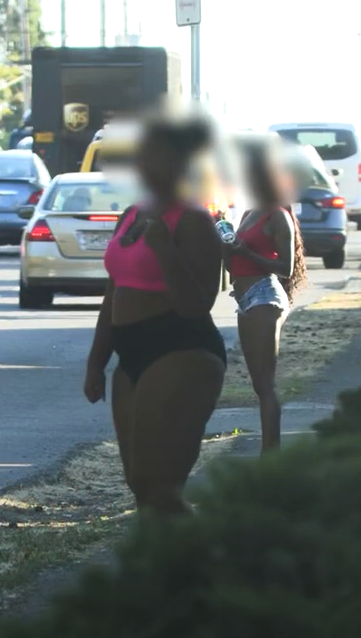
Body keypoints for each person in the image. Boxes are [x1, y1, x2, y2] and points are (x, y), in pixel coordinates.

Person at [83, 116, 227, 515]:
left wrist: (165, 250)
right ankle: (166, 568)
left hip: (181, 350)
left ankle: (204, 560)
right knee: (139, 484)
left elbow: (198, 304)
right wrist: (96, 362)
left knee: (160, 484)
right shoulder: (131, 214)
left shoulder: (195, 220)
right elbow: (113, 291)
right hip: (130, 356)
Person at [224, 141, 308, 454]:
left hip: (265, 295)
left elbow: (284, 268)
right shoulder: (249, 212)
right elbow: (233, 264)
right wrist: (228, 249)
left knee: (266, 383)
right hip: (244, 298)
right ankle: (268, 449)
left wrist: (245, 251)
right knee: (258, 385)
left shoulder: (277, 215)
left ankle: (271, 453)